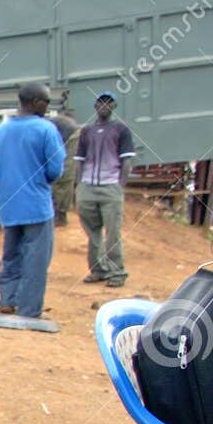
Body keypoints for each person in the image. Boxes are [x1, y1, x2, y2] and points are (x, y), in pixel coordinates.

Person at [0, 82, 65, 318]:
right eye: (46, 101)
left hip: (9, 206)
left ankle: (8, 299)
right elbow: (55, 169)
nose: (48, 106)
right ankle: (29, 309)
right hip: (37, 206)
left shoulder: (1, 131)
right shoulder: (46, 130)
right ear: (36, 102)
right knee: (36, 259)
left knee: (11, 255)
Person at [74, 91, 135, 288]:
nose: (104, 106)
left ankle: (117, 272)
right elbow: (79, 161)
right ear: (95, 106)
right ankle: (98, 270)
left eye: (109, 103)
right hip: (88, 187)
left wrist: (120, 185)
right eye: (101, 102)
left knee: (113, 232)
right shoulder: (87, 131)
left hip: (110, 186)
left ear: (114, 106)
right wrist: (80, 184)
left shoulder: (121, 129)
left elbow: (127, 160)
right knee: (92, 232)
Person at [49, 107, 79, 227]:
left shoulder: (51, 123)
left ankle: (60, 216)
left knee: (62, 179)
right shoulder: (58, 123)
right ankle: (60, 214)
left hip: (70, 140)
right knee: (65, 179)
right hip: (69, 141)